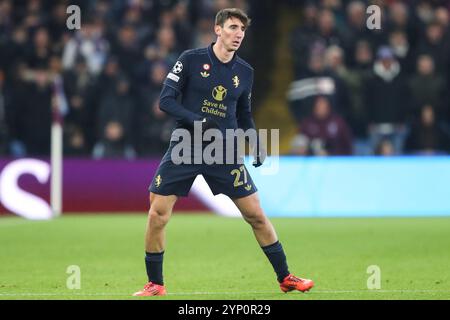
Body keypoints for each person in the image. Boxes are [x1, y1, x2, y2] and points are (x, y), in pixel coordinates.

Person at [133, 8, 314, 296]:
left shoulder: (245, 72)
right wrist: (197, 120)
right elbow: (165, 101)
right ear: (218, 29)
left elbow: (244, 114)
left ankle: (286, 277)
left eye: (242, 29)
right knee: (157, 214)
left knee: (255, 214)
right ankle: (155, 284)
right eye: (232, 27)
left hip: (223, 150)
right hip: (187, 146)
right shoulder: (190, 60)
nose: (238, 34)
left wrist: (254, 140)